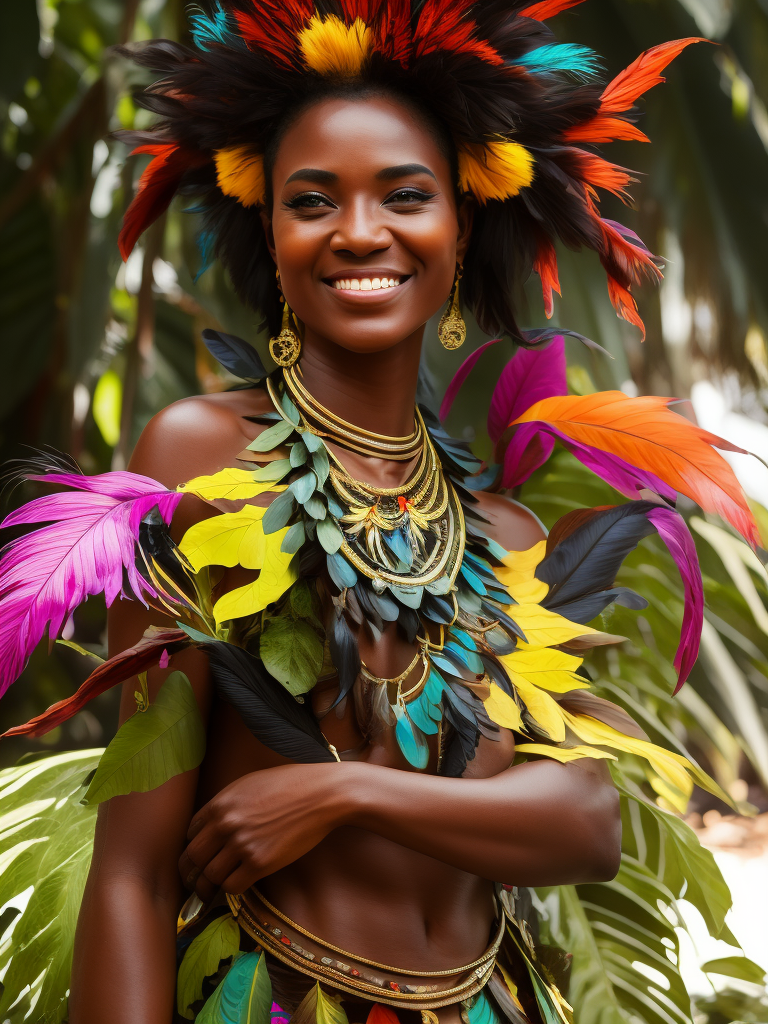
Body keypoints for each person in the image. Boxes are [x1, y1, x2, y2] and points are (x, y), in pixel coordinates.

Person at [0, 3, 757, 1023]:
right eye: (313, 200)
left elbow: (584, 820)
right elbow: (131, 870)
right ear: (269, 234)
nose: (361, 231)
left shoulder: (503, 533)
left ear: (463, 223)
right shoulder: (200, 459)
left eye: (405, 195)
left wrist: (344, 791)